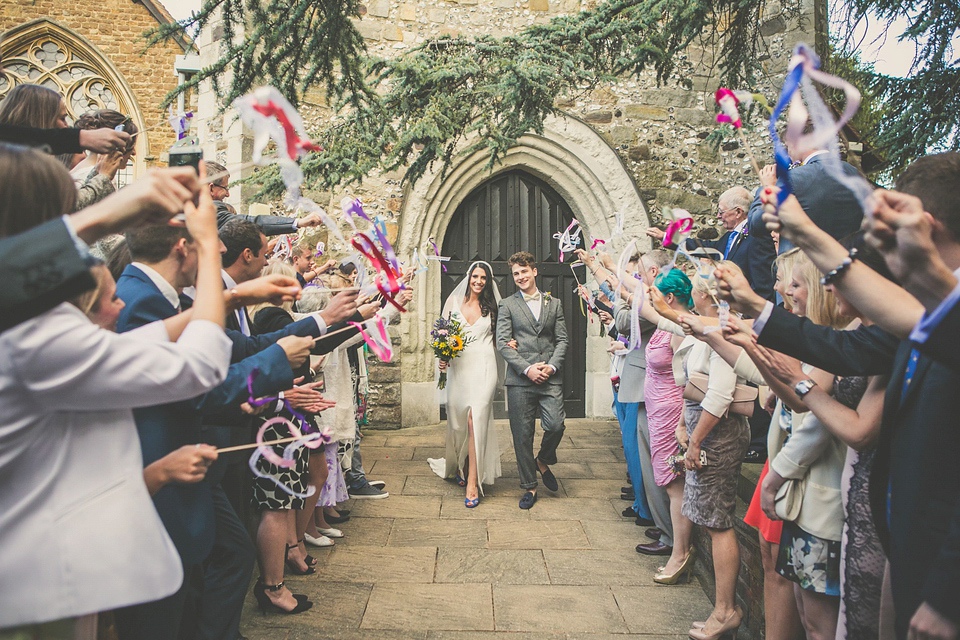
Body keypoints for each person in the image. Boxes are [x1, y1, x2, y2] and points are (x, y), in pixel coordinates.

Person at [722, 153, 960, 639]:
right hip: (893, 541)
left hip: (925, 559)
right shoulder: (925, 317)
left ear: (927, 227)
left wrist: (947, 594)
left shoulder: (930, 317)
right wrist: (759, 296)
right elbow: (854, 345)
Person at [0, 143, 231, 636]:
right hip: (34, 586)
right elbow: (200, 366)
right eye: (65, 213)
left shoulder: (29, 324)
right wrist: (209, 246)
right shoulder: (33, 332)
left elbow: (120, 352)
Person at [428, 261, 504, 507]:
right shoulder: (453, 303)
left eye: (483, 278)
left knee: (475, 418)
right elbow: (444, 335)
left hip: (484, 367)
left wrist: (510, 344)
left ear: (488, 281)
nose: (479, 281)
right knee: (459, 422)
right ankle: (461, 464)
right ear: (469, 277)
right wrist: (443, 358)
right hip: (459, 370)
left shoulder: (493, 307)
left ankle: (473, 482)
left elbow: (502, 336)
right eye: (476, 276)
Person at [495, 251, 567, 510]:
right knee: (522, 435)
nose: (520, 277)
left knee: (556, 425)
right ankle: (530, 486)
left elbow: (562, 340)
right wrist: (527, 369)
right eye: (516, 273)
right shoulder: (506, 305)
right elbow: (502, 343)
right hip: (520, 379)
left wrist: (551, 366)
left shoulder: (554, 303)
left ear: (534, 271)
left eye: (524, 271)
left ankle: (544, 459)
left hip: (549, 377)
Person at [648, 186, 777, 301]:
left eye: (721, 212)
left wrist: (750, 315)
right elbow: (704, 248)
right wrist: (666, 237)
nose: (717, 217)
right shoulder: (729, 237)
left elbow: (763, 285)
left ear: (738, 212)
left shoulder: (757, 236)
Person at [203, 161, 324, 234]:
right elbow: (252, 223)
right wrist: (298, 222)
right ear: (211, 188)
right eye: (225, 188)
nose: (228, 194)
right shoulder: (210, 210)